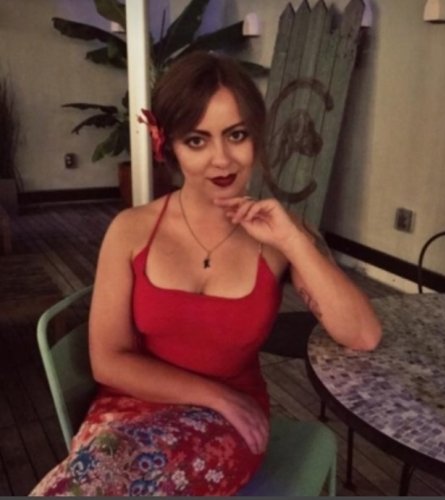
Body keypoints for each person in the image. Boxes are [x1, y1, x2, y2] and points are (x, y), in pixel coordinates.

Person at [31, 51, 382, 496]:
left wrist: (293, 240)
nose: (222, 159)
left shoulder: (280, 236)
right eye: (197, 140)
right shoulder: (131, 230)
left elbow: (362, 335)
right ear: (170, 147)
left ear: (256, 137)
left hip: (225, 426)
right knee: (95, 477)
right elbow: (109, 360)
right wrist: (214, 393)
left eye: (236, 135)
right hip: (129, 416)